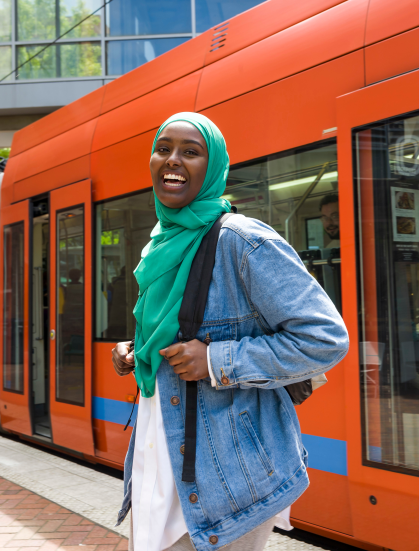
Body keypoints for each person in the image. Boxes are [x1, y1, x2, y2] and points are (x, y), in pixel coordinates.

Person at [111, 113, 348, 551]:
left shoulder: (241, 239)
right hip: (159, 445)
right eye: (163, 148)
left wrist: (216, 360)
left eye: (190, 151)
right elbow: (176, 328)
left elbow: (325, 337)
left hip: (227, 470)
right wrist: (135, 349)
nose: (172, 160)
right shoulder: (160, 242)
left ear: (213, 165)